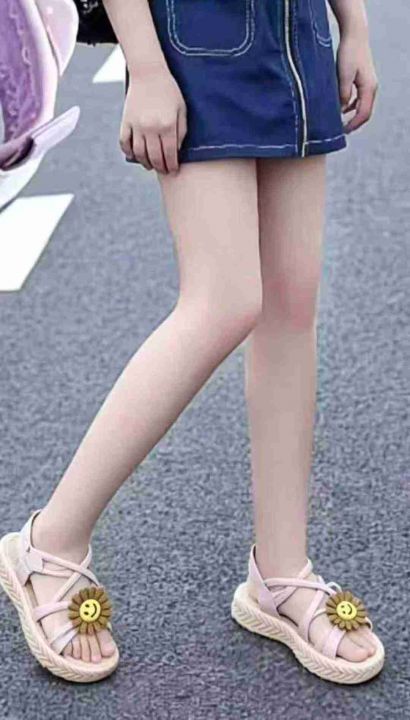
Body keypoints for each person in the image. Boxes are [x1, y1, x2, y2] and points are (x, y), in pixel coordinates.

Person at [0, 0, 384, 684]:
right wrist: (145, 66)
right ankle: (49, 542)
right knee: (223, 300)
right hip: (199, 37)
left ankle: (281, 573)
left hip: (298, 31)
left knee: (291, 308)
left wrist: (353, 24)